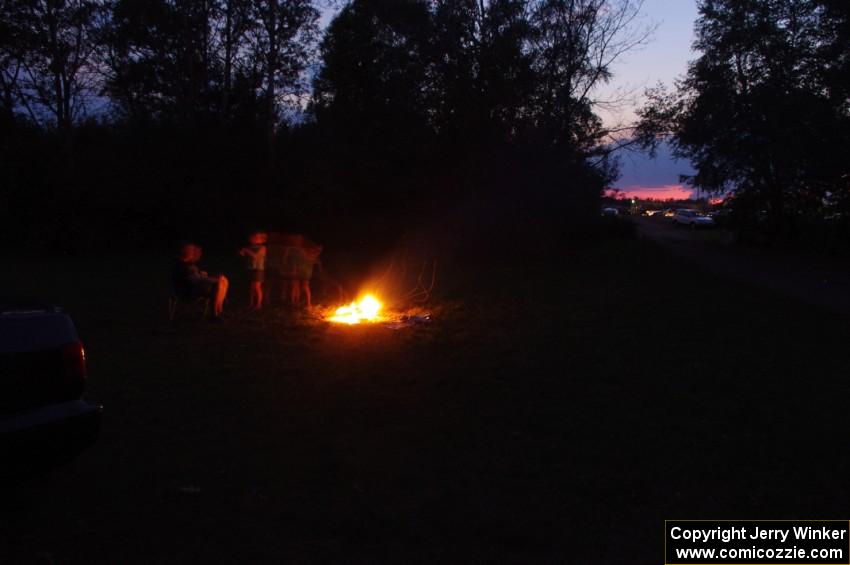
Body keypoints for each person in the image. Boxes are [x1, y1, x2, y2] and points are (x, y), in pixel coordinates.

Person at [172, 242, 229, 319]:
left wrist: (202, 275)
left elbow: (195, 277)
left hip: (194, 287)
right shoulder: (181, 265)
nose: (193, 252)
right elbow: (191, 280)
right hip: (187, 291)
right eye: (191, 250)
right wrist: (209, 279)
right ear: (185, 252)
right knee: (217, 284)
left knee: (223, 280)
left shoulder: (188, 263)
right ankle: (213, 314)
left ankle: (220, 311)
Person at [238, 231, 268, 310]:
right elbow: (242, 256)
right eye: (252, 237)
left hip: (258, 269)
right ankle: (251, 303)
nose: (252, 239)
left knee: (257, 287)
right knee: (251, 287)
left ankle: (258, 305)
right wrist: (242, 252)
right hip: (250, 268)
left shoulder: (263, 248)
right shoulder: (249, 247)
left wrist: (246, 250)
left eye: (255, 238)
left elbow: (255, 257)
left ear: (261, 240)